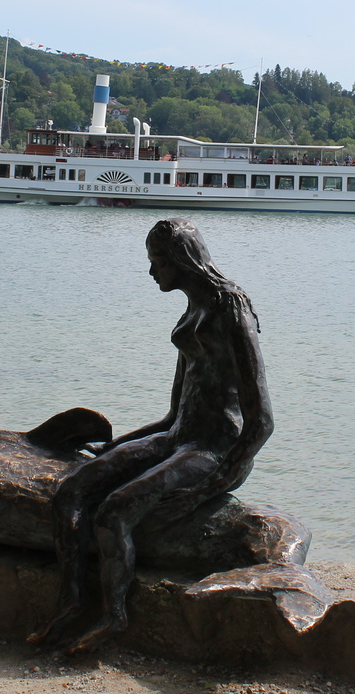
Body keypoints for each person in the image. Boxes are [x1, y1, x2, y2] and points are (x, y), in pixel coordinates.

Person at [28, 217, 272, 653]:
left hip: (214, 450)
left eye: (157, 262)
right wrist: (115, 447)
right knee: (72, 492)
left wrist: (214, 484)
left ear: (181, 261)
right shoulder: (189, 315)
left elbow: (261, 420)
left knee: (114, 511)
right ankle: (70, 602)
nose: (151, 271)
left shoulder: (232, 309)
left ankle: (114, 616)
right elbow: (170, 416)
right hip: (179, 436)